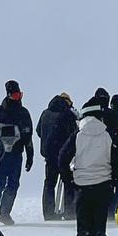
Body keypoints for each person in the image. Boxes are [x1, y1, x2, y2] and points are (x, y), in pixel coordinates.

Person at [56, 96, 114, 236]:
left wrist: (70, 181)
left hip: (82, 187)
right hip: (103, 186)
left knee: (83, 229)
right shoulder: (107, 135)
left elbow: (62, 158)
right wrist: (113, 179)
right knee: (99, 230)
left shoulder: (77, 135)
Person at [0, 80, 34, 226]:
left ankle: (4, 214)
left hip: (16, 155)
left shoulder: (23, 113)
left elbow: (28, 137)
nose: (19, 98)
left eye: (20, 94)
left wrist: (30, 156)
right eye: (16, 95)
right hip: (0, 156)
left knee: (13, 185)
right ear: (9, 95)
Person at [37, 93, 77, 221]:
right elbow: (73, 134)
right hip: (64, 155)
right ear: (67, 102)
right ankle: (69, 211)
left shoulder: (45, 113)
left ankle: (48, 213)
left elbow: (38, 131)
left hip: (49, 154)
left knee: (49, 184)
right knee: (68, 182)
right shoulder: (68, 114)